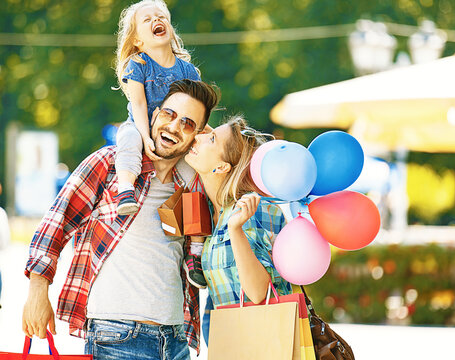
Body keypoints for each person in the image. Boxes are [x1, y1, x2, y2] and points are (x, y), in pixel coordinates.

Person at [22, 79, 220, 360]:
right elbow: (56, 222)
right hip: (116, 337)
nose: (174, 127)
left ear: (197, 135)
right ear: (153, 115)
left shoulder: (191, 185)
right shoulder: (111, 165)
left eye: (188, 124)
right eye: (169, 114)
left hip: (175, 339)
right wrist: (37, 291)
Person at [113, 0, 208, 289]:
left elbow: (199, 114)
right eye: (148, 19)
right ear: (138, 39)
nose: (157, 20)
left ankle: (195, 253)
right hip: (142, 127)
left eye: (161, 16)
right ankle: (126, 190)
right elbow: (139, 105)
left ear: (168, 27)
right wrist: (145, 137)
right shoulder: (138, 64)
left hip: (175, 137)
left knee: (195, 181)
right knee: (126, 138)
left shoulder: (188, 70)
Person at [184, 116, 292, 309]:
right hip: (229, 333)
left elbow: (259, 293)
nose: (199, 138)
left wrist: (235, 230)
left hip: (263, 335)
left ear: (222, 167)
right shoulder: (210, 211)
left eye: (212, 139)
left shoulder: (252, 210)